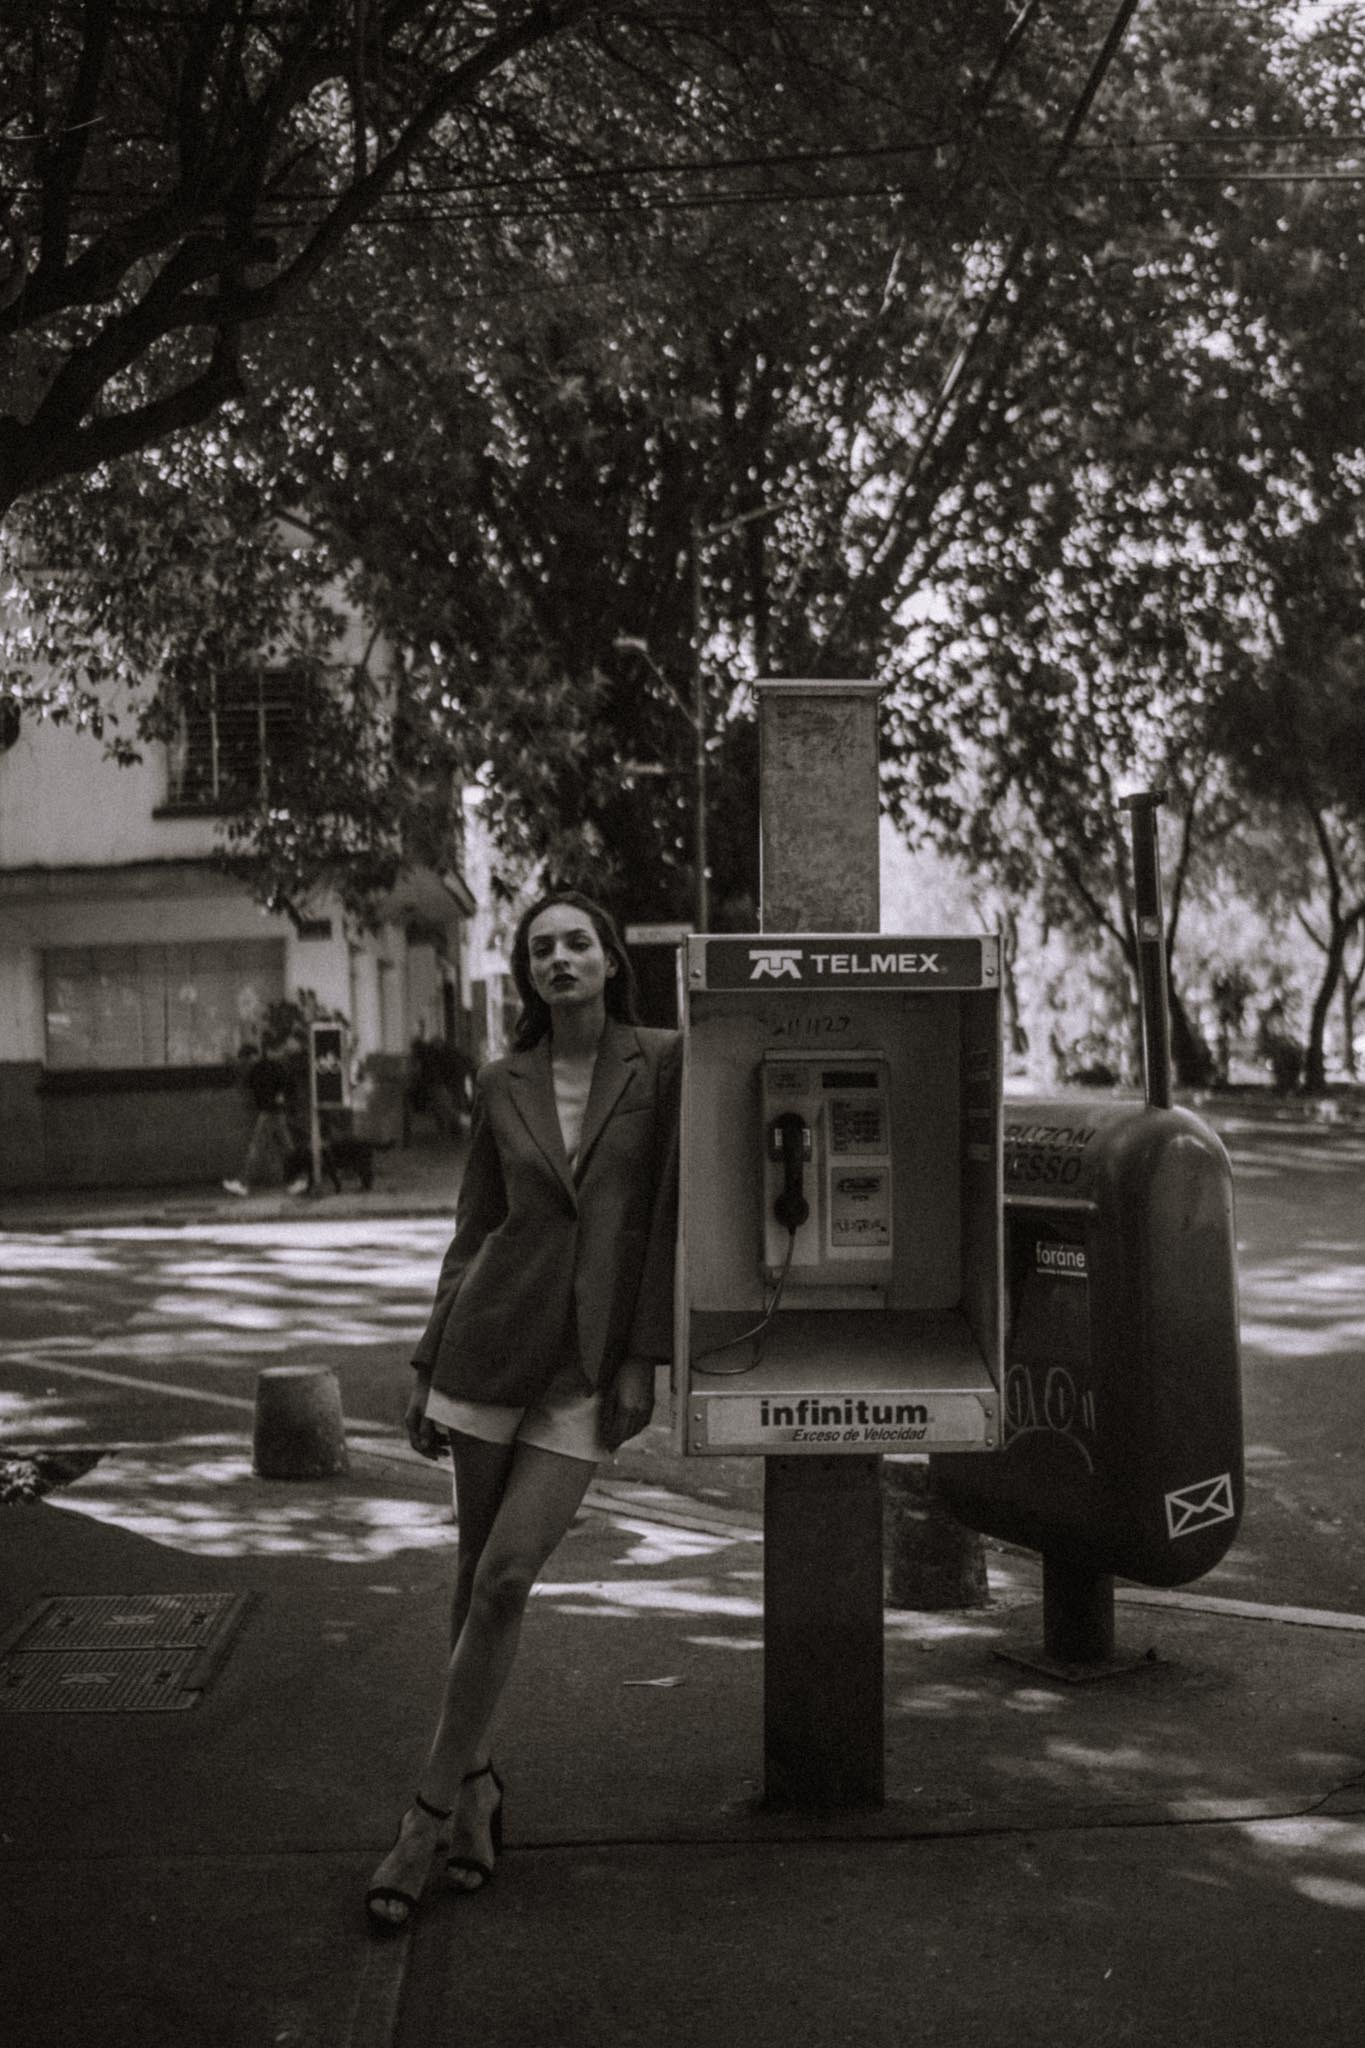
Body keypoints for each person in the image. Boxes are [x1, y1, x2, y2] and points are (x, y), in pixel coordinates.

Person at [364, 888, 681, 1932]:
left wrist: (643, 1357)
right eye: (542, 948)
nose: (560, 958)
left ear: (609, 959)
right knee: (474, 1575)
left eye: (577, 942)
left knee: (505, 1576)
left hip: (586, 1366)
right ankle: (476, 1790)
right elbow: (474, 1228)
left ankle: (422, 1813)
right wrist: (426, 1362)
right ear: (528, 973)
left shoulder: (662, 1064)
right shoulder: (501, 1080)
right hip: (490, 1343)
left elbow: (664, 1222)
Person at [222, 1031, 310, 1196]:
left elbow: (256, 1087)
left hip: (269, 1112)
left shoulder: (266, 1067)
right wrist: (282, 1098)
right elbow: (287, 1087)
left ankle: (244, 1183)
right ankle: (299, 1179)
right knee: (286, 1147)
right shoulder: (276, 1066)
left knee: (258, 1148)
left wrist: (276, 1099)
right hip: (274, 1111)